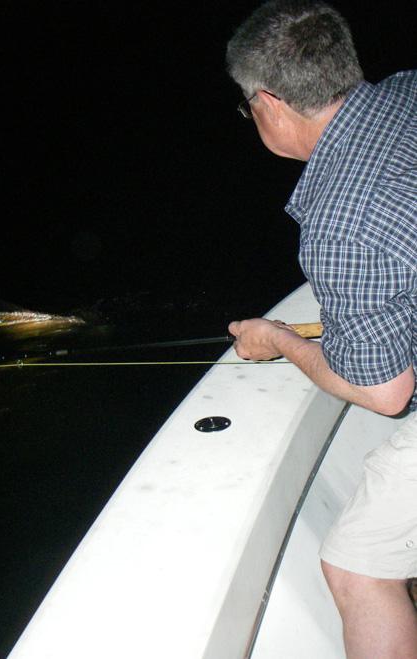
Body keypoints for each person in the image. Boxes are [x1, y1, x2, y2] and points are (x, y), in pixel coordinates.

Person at [225, 1, 417, 656]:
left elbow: (386, 394)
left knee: (356, 564)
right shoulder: (408, 90)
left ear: (271, 104)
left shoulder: (340, 220)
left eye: (245, 104)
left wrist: (278, 340)